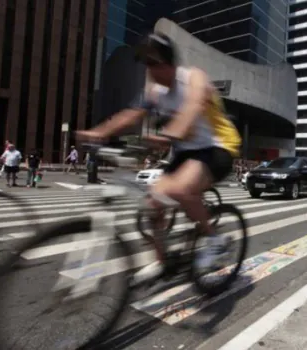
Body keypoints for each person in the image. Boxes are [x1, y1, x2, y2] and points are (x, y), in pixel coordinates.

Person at [76, 32, 242, 284]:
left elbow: (192, 108)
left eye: (154, 63)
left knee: (180, 189)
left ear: (170, 64)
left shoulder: (193, 78)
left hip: (218, 147)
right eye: (146, 64)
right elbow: (131, 115)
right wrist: (98, 133)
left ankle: (214, 239)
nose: (149, 69)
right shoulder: (155, 92)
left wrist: (170, 134)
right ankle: (161, 262)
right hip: (186, 152)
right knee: (154, 204)